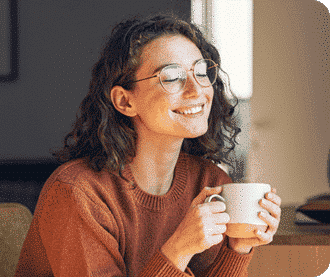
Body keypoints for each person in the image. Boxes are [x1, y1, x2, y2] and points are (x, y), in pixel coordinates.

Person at [15, 14, 281, 277]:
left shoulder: (209, 182)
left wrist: (238, 249)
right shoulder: (79, 194)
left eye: (201, 72)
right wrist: (178, 249)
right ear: (124, 102)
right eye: (172, 77)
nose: (197, 90)